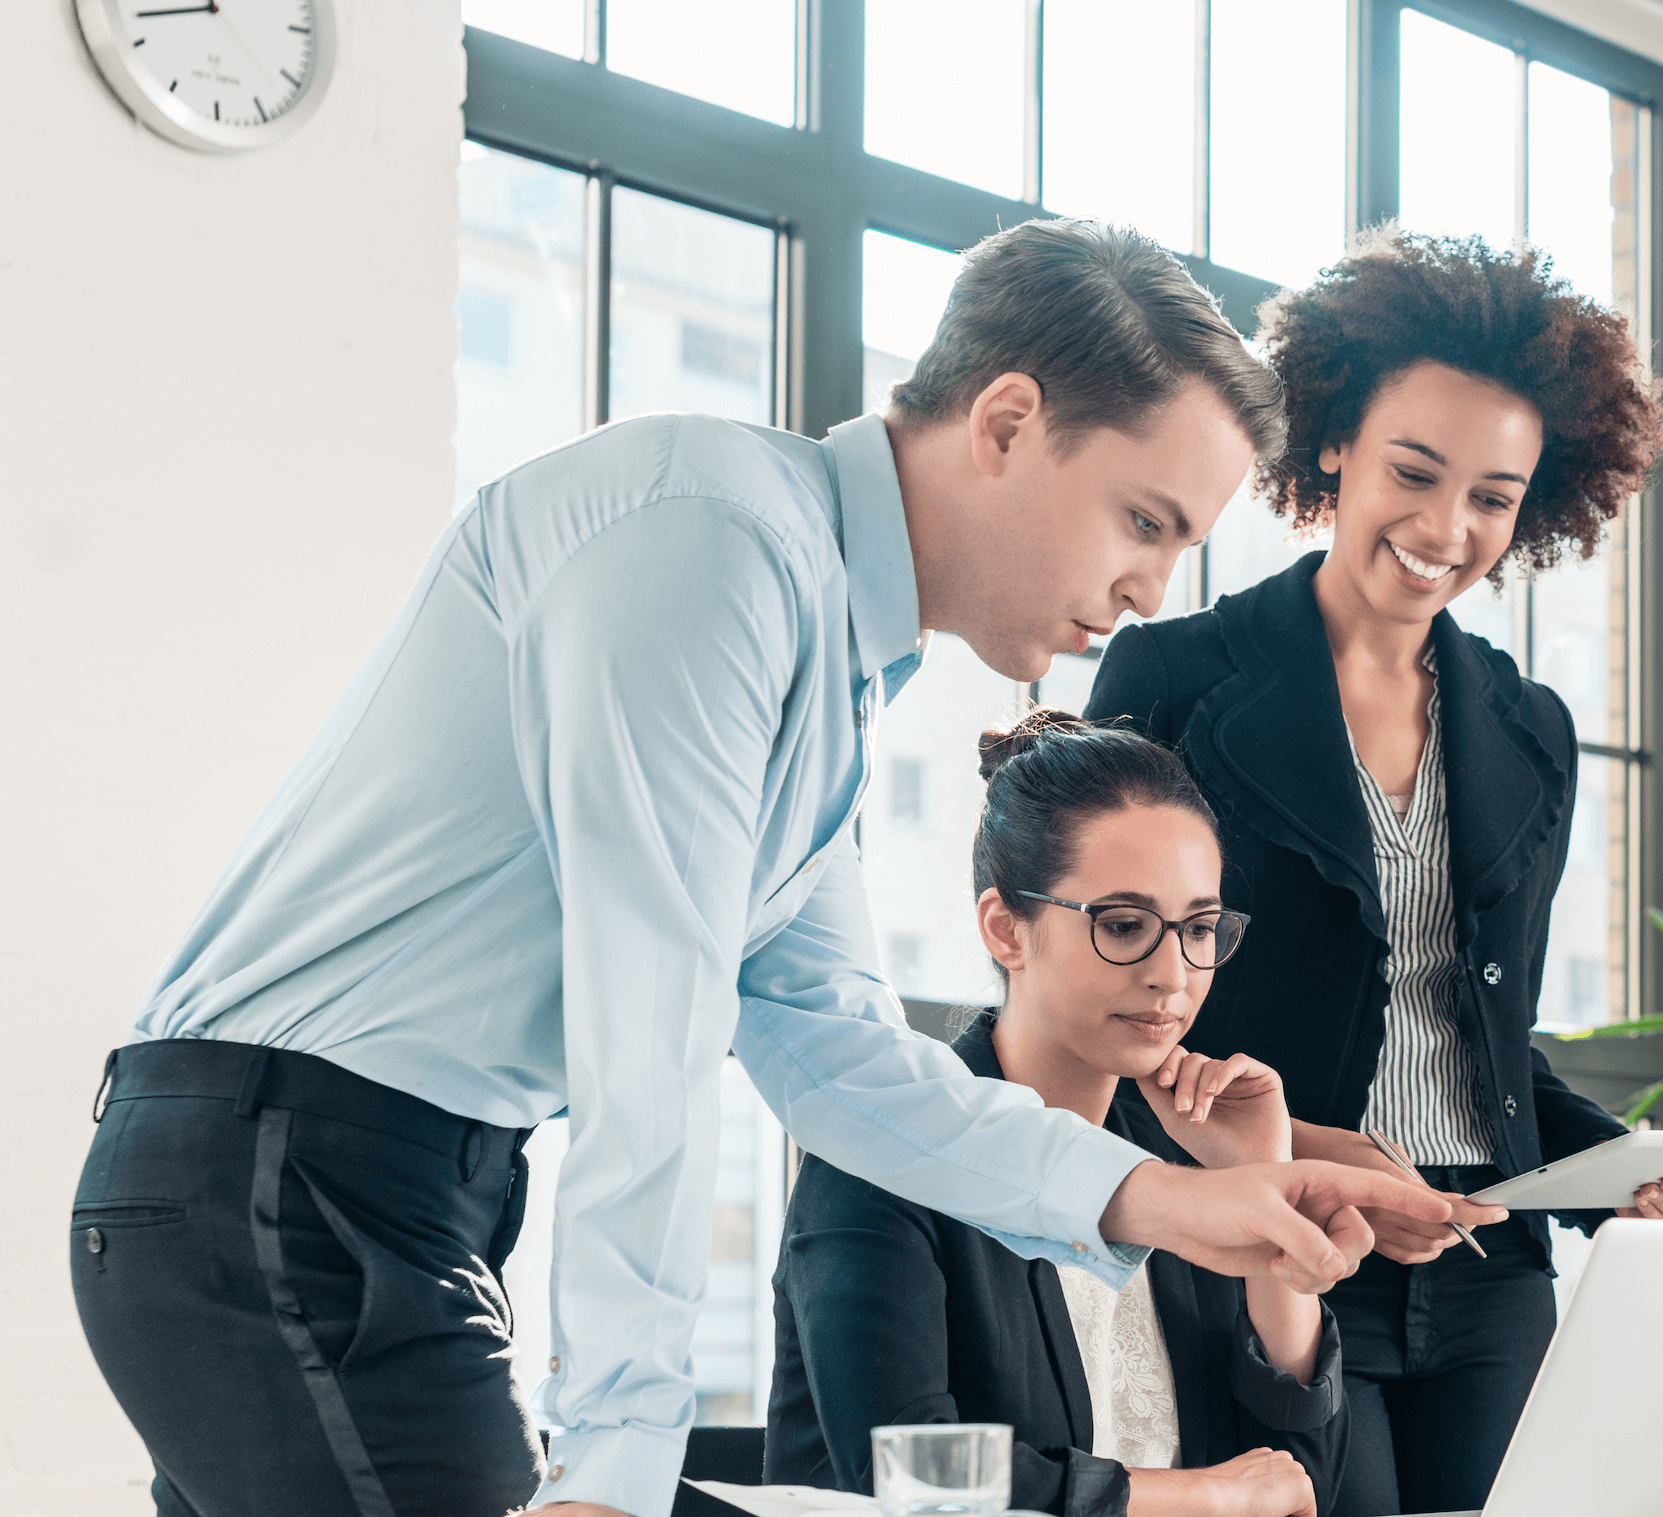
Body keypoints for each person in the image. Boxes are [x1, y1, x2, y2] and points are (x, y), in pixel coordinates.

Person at [70, 218, 1446, 1517]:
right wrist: (611, 1456)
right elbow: (650, 1017)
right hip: (280, 1171)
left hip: (366, 1182)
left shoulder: (825, 661)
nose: (1151, 587)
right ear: (1009, 424)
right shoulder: (711, 542)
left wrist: (1175, 1202)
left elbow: (841, 1058)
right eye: (1143, 522)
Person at [1083, 227, 1663, 1517]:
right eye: (1413, 472)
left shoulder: (1528, 728)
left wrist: (1617, 1165)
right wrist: (1316, 1152)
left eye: (1492, 497)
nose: (1446, 527)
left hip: (1488, 1272)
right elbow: (1110, 1010)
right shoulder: (1174, 678)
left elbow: (1491, 1046)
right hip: (1276, 1238)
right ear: (1332, 446)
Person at [770, 711, 1346, 1517]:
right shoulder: (883, 1144)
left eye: (1200, 928)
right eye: (1122, 925)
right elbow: (902, 1468)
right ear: (1007, 928)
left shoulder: (1183, 1153)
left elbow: (1297, 1477)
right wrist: (1206, 1495)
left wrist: (1262, 1180)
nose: (1172, 975)